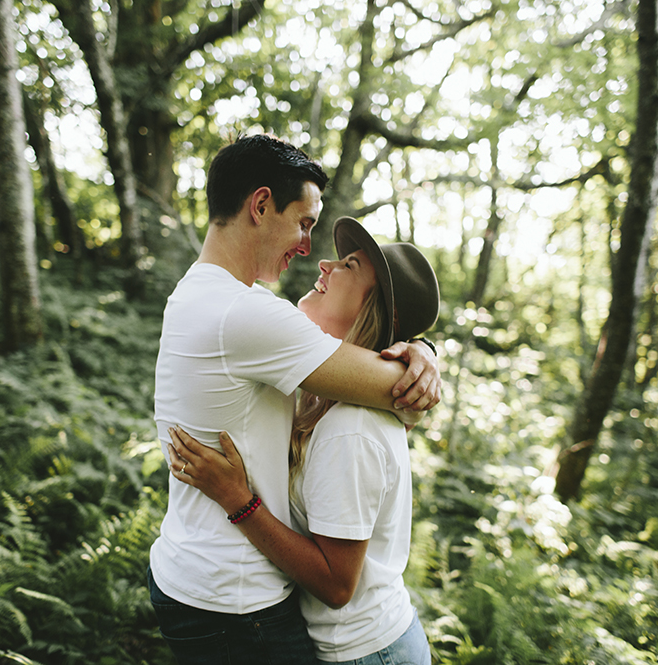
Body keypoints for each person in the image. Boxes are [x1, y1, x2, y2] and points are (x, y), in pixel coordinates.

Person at [149, 134, 441, 665]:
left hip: (209, 581)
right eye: (305, 223)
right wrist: (423, 366)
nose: (311, 251)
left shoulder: (211, 295)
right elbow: (402, 393)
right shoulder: (247, 315)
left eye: (345, 264)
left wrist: (421, 346)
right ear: (261, 205)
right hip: (232, 602)